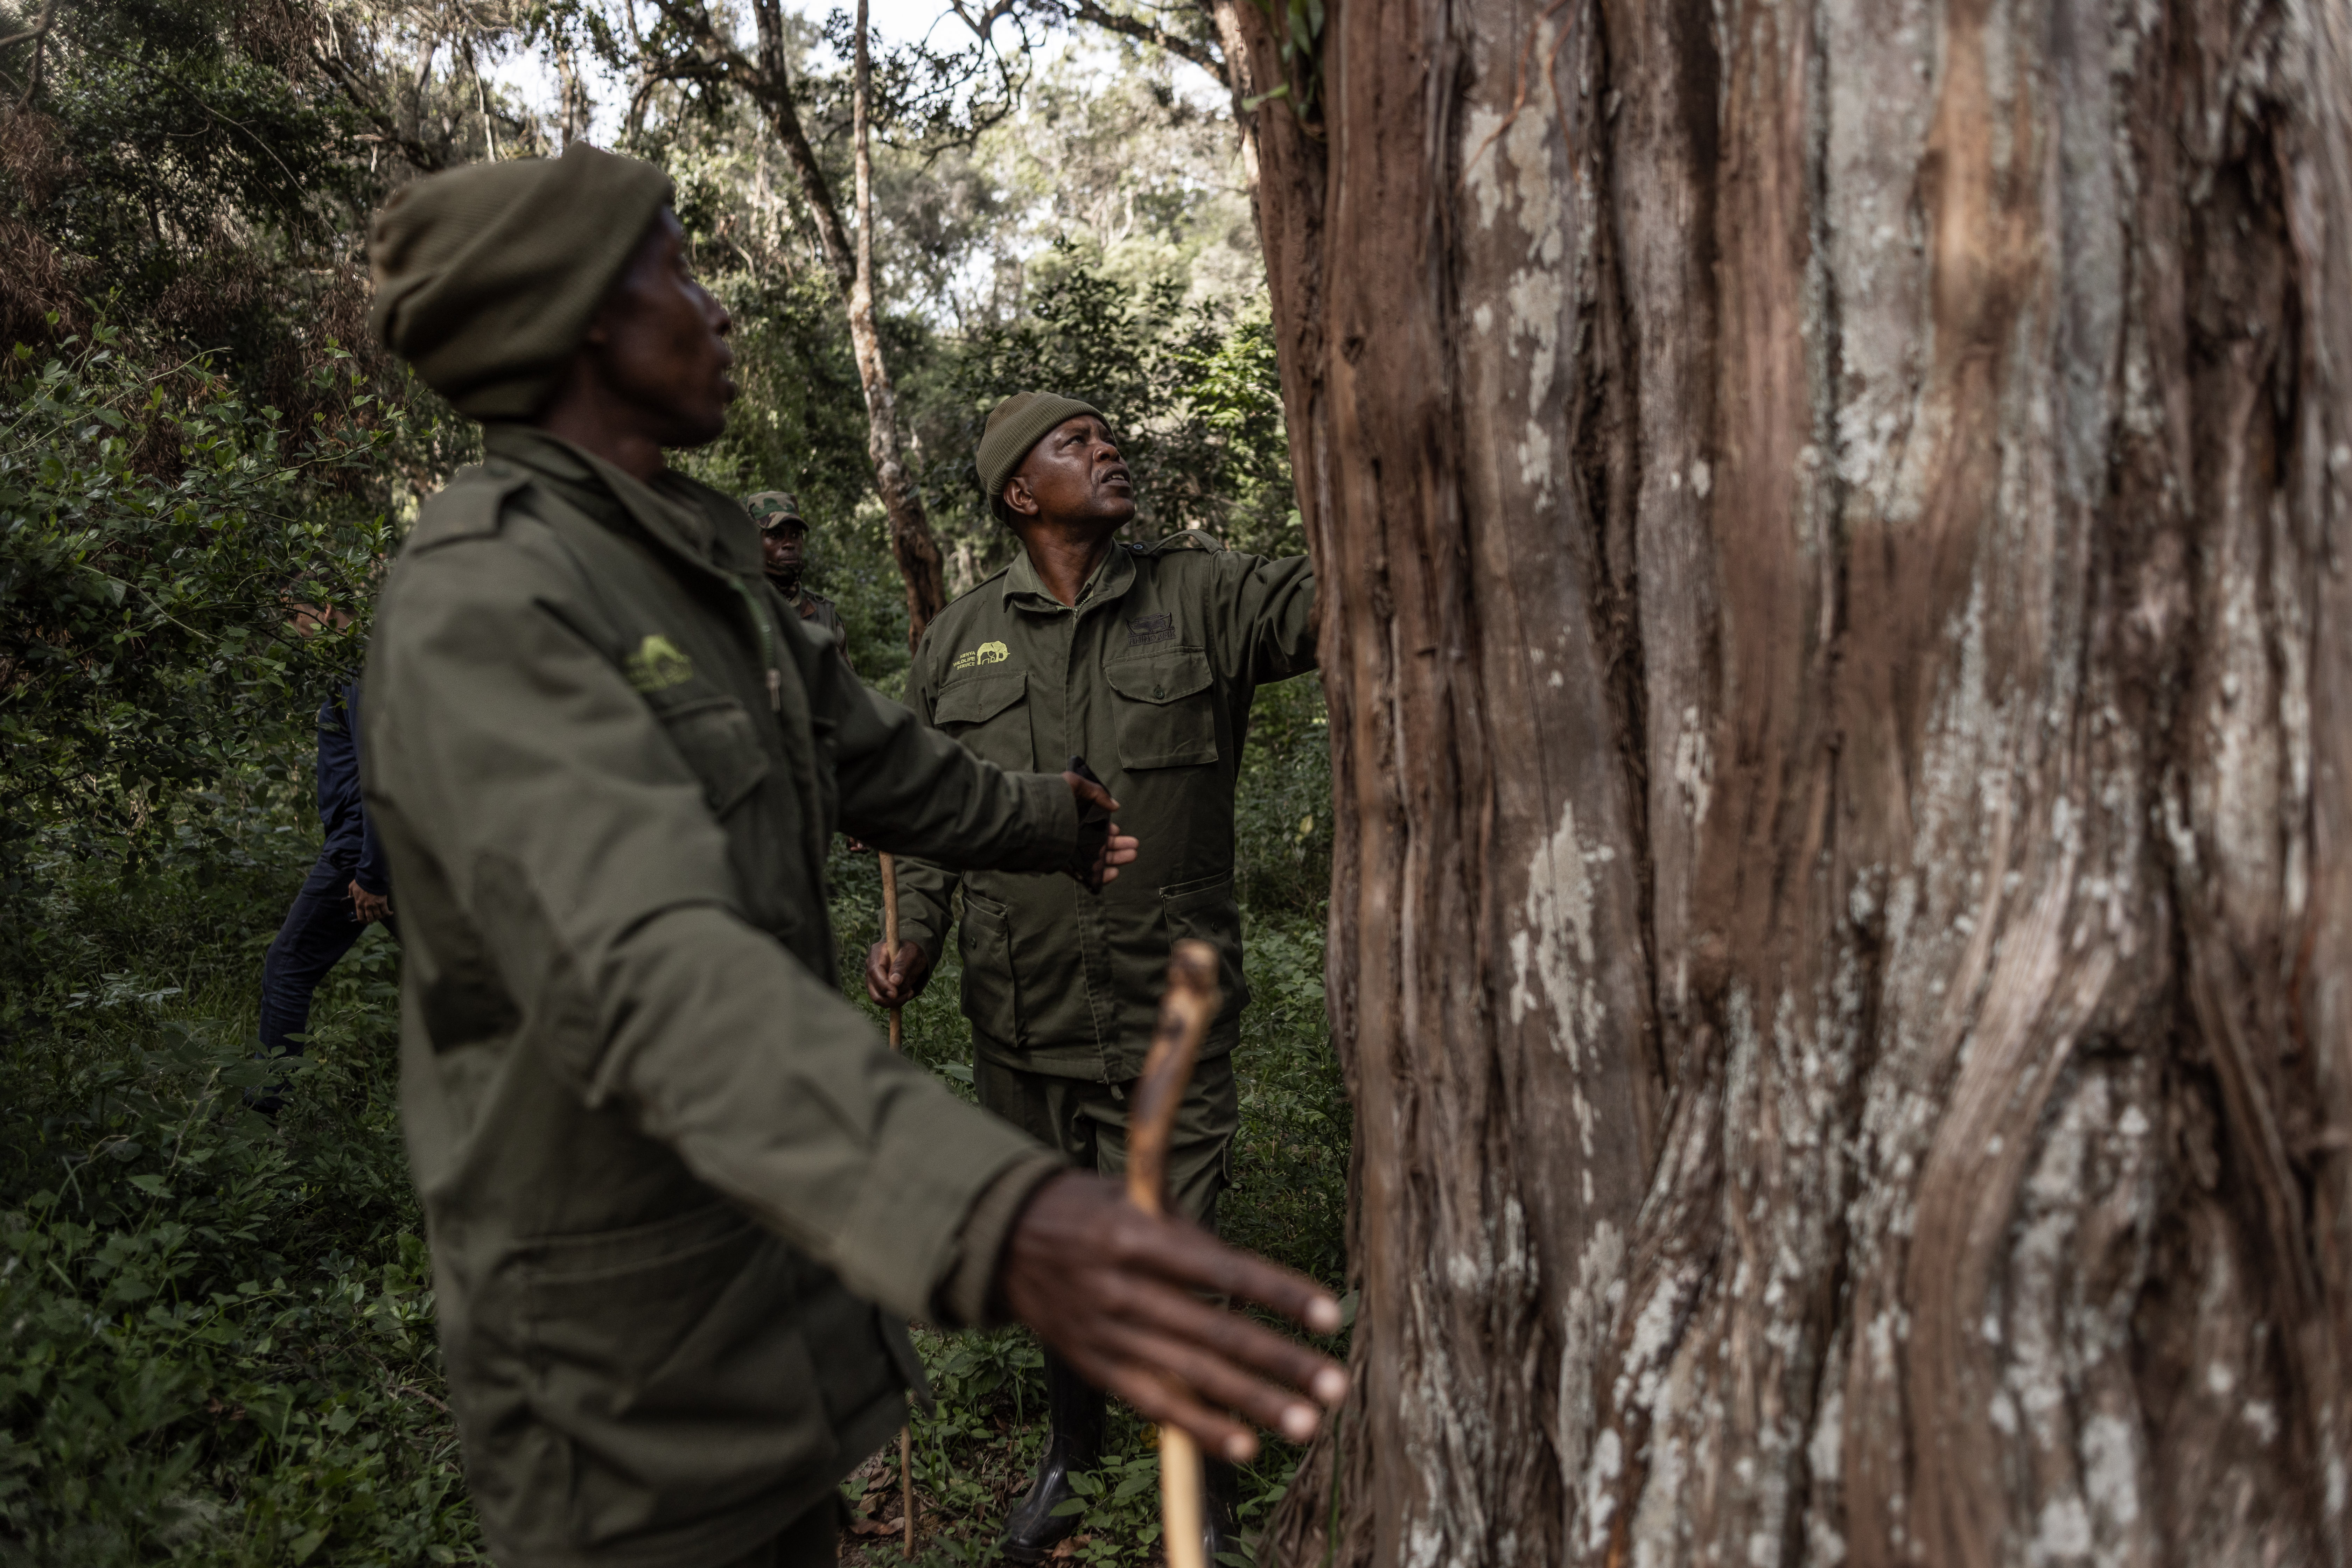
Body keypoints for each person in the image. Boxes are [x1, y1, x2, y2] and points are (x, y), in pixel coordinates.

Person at [360, 142, 1342, 1568]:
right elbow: (647, 971)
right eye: (677, 272)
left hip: (768, 1292)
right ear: (583, 320)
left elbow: (885, 766)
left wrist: (1052, 820)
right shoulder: (490, 597)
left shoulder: (694, 567)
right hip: (620, 1346)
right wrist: (1002, 1212)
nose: (717, 309)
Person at [866, 392, 1317, 1563]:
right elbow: (920, 821)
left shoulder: (1204, 594)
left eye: (1109, 437)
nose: (1109, 451)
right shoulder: (957, 639)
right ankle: (1072, 1460)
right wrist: (912, 931)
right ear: (1020, 494)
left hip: (1166, 1013)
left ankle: (1203, 1500)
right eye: (1077, 443)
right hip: (1022, 1020)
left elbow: (1329, 607)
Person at [253, 678, 396, 1111]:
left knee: (288, 965)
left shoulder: (356, 675)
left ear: (326, 607)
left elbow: (381, 774)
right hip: (393, 846)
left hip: (359, 850)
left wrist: (371, 873)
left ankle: (264, 1119)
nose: (293, 624)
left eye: (293, 609)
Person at [746, 491, 848, 655]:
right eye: (776, 535)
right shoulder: (736, 608)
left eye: (795, 535)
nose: (789, 544)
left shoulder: (825, 616)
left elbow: (842, 679)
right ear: (752, 542)